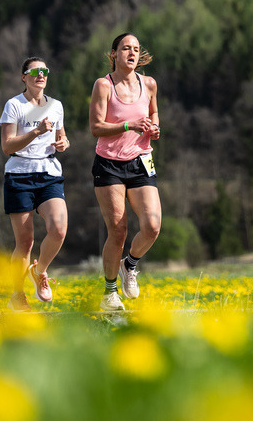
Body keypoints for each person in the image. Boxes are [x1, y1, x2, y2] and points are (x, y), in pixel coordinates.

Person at [88, 32, 161, 312]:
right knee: (118, 230)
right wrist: (129, 125)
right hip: (109, 164)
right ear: (114, 54)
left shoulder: (150, 84)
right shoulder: (103, 86)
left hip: (141, 160)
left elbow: (153, 115)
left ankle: (129, 264)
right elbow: (96, 127)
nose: (131, 53)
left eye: (135, 49)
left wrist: (154, 128)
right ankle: (109, 292)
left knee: (152, 226)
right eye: (125, 49)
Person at [0, 57, 69, 311]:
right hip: (19, 174)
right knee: (25, 242)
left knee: (59, 229)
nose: (41, 75)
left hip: (49, 172)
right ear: (24, 77)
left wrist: (63, 143)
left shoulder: (57, 106)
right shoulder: (13, 105)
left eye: (45, 71)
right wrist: (36, 132)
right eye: (35, 72)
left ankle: (39, 272)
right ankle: (17, 296)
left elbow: (62, 137)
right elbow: (7, 146)